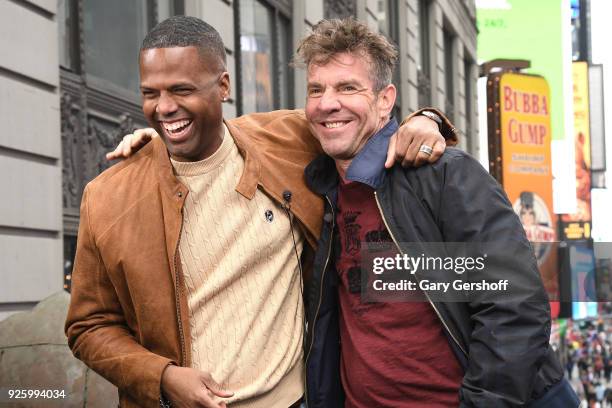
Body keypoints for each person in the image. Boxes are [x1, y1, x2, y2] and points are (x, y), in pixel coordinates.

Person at [65, 16, 455, 408]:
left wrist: (425, 120)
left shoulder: (287, 139)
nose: (164, 108)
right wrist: (162, 377)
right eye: (151, 93)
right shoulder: (107, 197)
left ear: (223, 86)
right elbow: (87, 326)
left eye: (181, 90)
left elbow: (355, 117)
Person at [296, 18, 580, 407]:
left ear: (385, 99)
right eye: (316, 89)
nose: (328, 103)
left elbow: (514, 309)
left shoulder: (444, 176)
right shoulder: (321, 189)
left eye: (348, 87)